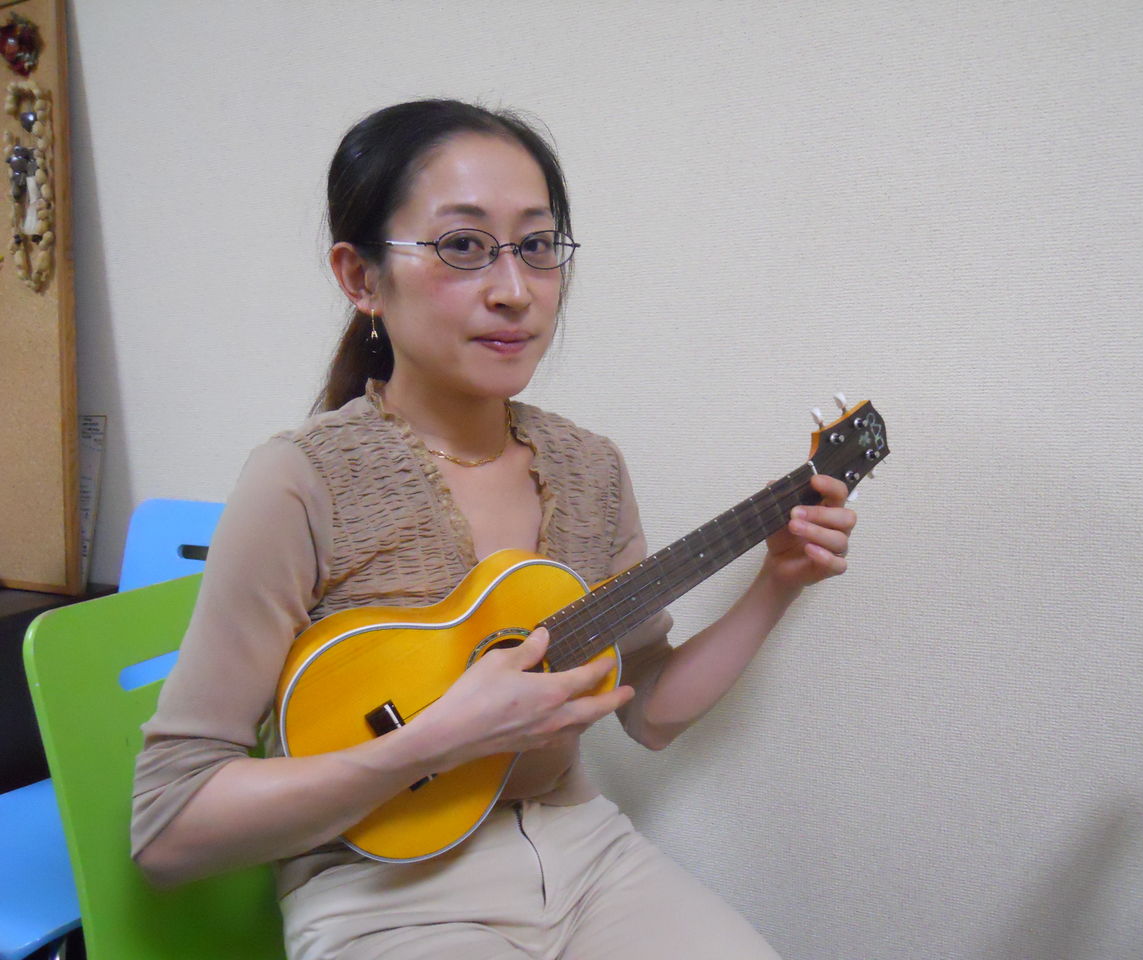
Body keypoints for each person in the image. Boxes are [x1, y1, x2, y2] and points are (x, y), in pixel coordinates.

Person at [130, 99, 856, 960]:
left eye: (537, 246)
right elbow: (168, 830)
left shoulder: (590, 469)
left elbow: (651, 710)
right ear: (362, 279)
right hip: (385, 895)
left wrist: (778, 582)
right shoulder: (300, 480)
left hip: (586, 856)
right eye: (463, 246)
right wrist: (435, 742)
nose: (514, 290)